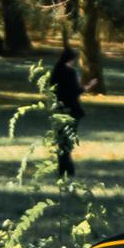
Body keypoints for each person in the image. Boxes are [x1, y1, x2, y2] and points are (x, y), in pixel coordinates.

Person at [48, 40, 84, 176]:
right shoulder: (71, 73)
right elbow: (76, 91)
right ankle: (68, 169)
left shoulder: (55, 71)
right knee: (68, 142)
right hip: (72, 110)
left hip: (58, 109)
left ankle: (62, 168)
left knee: (60, 141)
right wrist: (88, 86)